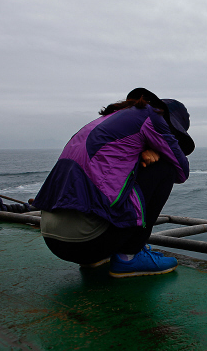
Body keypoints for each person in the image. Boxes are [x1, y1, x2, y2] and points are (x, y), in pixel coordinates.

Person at [34, 88, 194, 278]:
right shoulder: (152, 117)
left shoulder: (105, 121)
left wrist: (141, 152)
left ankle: (97, 259)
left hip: (55, 240)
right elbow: (182, 171)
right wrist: (158, 153)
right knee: (166, 168)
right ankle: (129, 256)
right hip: (89, 240)